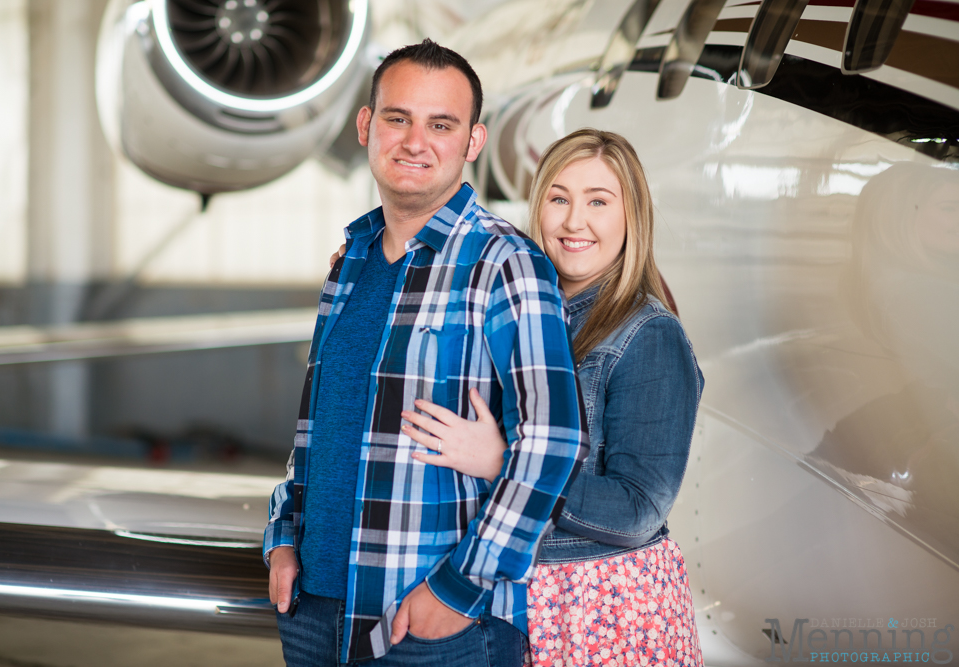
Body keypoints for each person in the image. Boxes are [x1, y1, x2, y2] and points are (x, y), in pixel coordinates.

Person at [264, 40, 588, 667]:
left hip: (430, 625)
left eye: (441, 125)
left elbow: (551, 441)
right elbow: (319, 427)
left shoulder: (505, 263)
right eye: (398, 118)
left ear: (472, 142)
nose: (416, 141)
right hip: (312, 611)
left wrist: (462, 588)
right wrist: (283, 535)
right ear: (366, 126)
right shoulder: (351, 261)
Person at [397, 129, 705, 666]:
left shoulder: (648, 334)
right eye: (559, 199)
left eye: (599, 202)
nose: (573, 221)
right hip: (507, 592)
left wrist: (504, 464)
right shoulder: (519, 308)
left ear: (633, 217)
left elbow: (638, 509)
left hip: (600, 607)